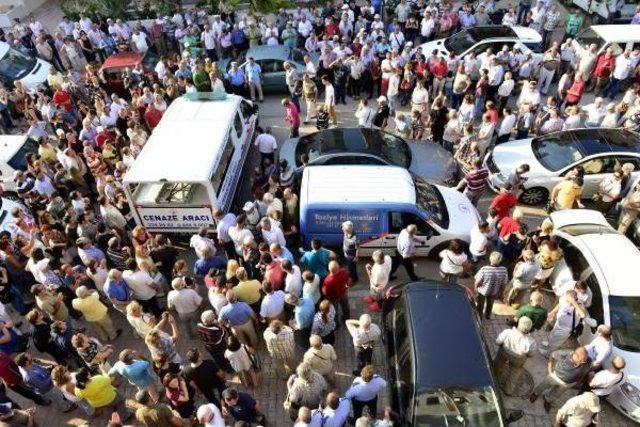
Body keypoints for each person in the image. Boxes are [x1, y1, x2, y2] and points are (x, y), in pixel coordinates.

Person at [530, 347, 592, 413]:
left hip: (568, 384)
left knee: (557, 393)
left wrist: (577, 381)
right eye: (580, 360)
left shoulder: (587, 361)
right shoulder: (565, 353)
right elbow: (552, 355)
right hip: (555, 377)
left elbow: (585, 371)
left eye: (584, 361)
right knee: (543, 385)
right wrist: (550, 369)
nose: (582, 363)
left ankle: (547, 399)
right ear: (575, 354)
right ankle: (536, 393)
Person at [493, 317, 536, 396]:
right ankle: (508, 390)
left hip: (504, 353)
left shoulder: (508, 332)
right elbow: (531, 355)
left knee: (498, 363)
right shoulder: (531, 342)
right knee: (515, 373)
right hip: (518, 359)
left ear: (518, 324)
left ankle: (494, 375)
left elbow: (497, 341)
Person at [540, 290, 588, 356]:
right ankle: (548, 343)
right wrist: (552, 312)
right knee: (553, 334)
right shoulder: (564, 299)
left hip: (565, 329)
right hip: (558, 323)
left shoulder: (579, 306)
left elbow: (583, 315)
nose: (566, 300)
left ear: (574, 299)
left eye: (568, 300)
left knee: (556, 342)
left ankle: (547, 352)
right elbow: (559, 305)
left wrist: (573, 303)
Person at [474, 252, 508, 319]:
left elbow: (477, 282)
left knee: (480, 305)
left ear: (490, 259)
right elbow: (503, 284)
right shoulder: (504, 270)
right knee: (490, 305)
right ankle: (487, 316)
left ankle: (479, 317)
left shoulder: (484, 269)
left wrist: (476, 289)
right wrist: (501, 293)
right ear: (500, 260)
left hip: (482, 291)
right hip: (494, 292)